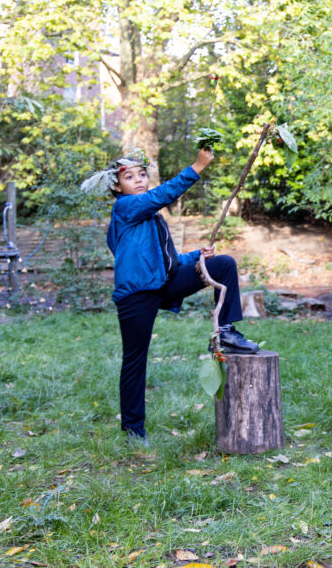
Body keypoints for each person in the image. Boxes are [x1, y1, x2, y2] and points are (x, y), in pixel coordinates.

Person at [82, 148, 259, 444]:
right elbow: (160, 196)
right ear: (117, 186)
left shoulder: (150, 217)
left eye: (142, 175)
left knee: (223, 265)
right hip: (137, 293)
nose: (138, 180)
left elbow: (168, 257)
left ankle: (226, 330)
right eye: (129, 177)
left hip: (163, 282)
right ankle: (133, 431)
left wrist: (196, 255)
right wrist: (196, 167)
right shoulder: (126, 207)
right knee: (135, 360)